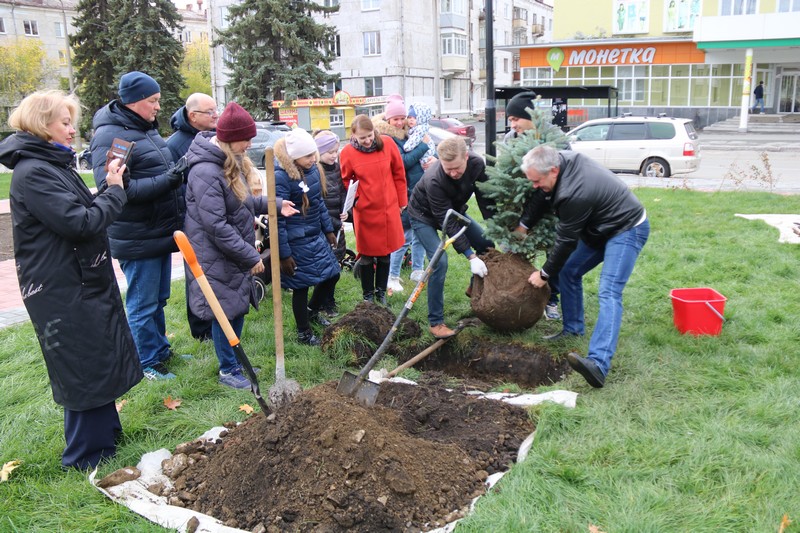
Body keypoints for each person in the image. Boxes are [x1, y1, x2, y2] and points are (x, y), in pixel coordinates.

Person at [0, 90, 142, 469]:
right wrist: (115, 192)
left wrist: (107, 187)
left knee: (97, 357)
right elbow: (79, 223)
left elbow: (78, 211)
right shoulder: (35, 173)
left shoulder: (52, 166)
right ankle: (84, 456)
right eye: (65, 122)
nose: (71, 129)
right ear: (41, 123)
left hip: (79, 279)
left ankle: (106, 438)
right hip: (61, 287)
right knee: (83, 367)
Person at [184, 102, 297, 387]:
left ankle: (235, 362)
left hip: (229, 252)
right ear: (230, 138)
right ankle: (227, 371)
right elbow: (216, 225)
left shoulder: (227, 163)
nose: (249, 144)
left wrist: (276, 204)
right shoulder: (205, 171)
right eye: (246, 138)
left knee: (236, 307)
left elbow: (240, 203)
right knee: (225, 312)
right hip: (215, 254)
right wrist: (250, 255)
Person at [523, 145, 650, 388]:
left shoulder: (574, 193)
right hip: (600, 227)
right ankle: (573, 329)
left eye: (537, 181)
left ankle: (598, 364)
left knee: (609, 291)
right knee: (570, 271)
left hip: (627, 228)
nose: (535, 186)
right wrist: (523, 224)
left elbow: (566, 241)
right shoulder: (558, 162)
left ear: (553, 170)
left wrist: (544, 274)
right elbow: (541, 195)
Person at [90, 71, 186, 381]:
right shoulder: (112, 137)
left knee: (158, 299)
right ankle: (145, 363)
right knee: (142, 304)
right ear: (133, 102)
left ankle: (160, 350)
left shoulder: (144, 130)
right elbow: (118, 191)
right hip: (137, 235)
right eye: (153, 101)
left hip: (156, 231)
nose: (159, 107)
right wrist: (168, 180)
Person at [407, 137, 494, 339]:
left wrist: (494, 227)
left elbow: (484, 197)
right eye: (448, 169)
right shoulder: (434, 180)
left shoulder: (477, 164)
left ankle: (474, 287)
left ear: (466, 156)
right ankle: (436, 323)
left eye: (457, 168)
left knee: (486, 243)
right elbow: (446, 222)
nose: (453, 173)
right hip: (423, 215)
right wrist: (470, 256)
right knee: (440, 261)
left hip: (453, 211)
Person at [274, 128, 341, 346]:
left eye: (314, 154)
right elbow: (279, 219)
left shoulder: (312, 171)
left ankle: (312, 311)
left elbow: (318, 202)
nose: (314, 159)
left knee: (332, 274)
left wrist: (328, 229)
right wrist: (284, 254)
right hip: (295, 240)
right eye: (308, 156)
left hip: (315, 234)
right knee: (301, 285)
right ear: (294, 157)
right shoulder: (282, 177)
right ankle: (303, 332)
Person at [504, 90, 565, 320]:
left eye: (515, 119)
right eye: (509, 120)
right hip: (520, 208)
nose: (512, 124)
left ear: (529, 116)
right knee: (512, 250)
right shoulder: (511, 139)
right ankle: (515, 298)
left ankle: (553, 300)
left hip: (552, 210)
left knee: (554, 253)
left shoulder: (554, 136)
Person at [166, 92, 219, 341]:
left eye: (215, 110)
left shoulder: (209, 138)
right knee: (196, 274)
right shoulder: (177, 144)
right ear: (193, 115)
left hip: (209, 215)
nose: (215, 115)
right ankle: (201, 329)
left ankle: (216, 319)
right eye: (210, 112)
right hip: (192, 220)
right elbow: (177, 183)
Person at [340, 114, 407, 305]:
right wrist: (358, 199)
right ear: (354, 136)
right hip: (366, 211)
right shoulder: (347, 153)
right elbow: (345, 180)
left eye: (370, 135)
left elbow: (398, 172)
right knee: (367, 254)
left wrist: (402, 201)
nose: (368, 140)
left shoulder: (387, 144)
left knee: (386, 252)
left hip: (388, 209)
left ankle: (381, 293)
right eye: (363, 138)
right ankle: (367, 295)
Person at [373, 95, 430, 295]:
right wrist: (423, 145)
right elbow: (403, 162)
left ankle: (417, 269)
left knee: (419, 233)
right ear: (388, 120)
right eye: (395, 118)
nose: (399, 122)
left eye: (402, 117)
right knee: (403, 236)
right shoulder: (388, 138)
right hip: (403, 193)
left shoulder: (406, 134)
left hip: (417, 190)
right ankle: (392, 276)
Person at [314, 130, 345, 317]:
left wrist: (345, 210)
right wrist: (332, 222)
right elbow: (318, 205)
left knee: (336, 265)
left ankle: (329, 300)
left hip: (337, 226)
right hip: (324, 228)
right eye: (329, 152)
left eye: (336, 151)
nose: (334, 155)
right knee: (326, 269)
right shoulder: (316, 173)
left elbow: (342, 193)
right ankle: (323, 303)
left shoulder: (337, 168)